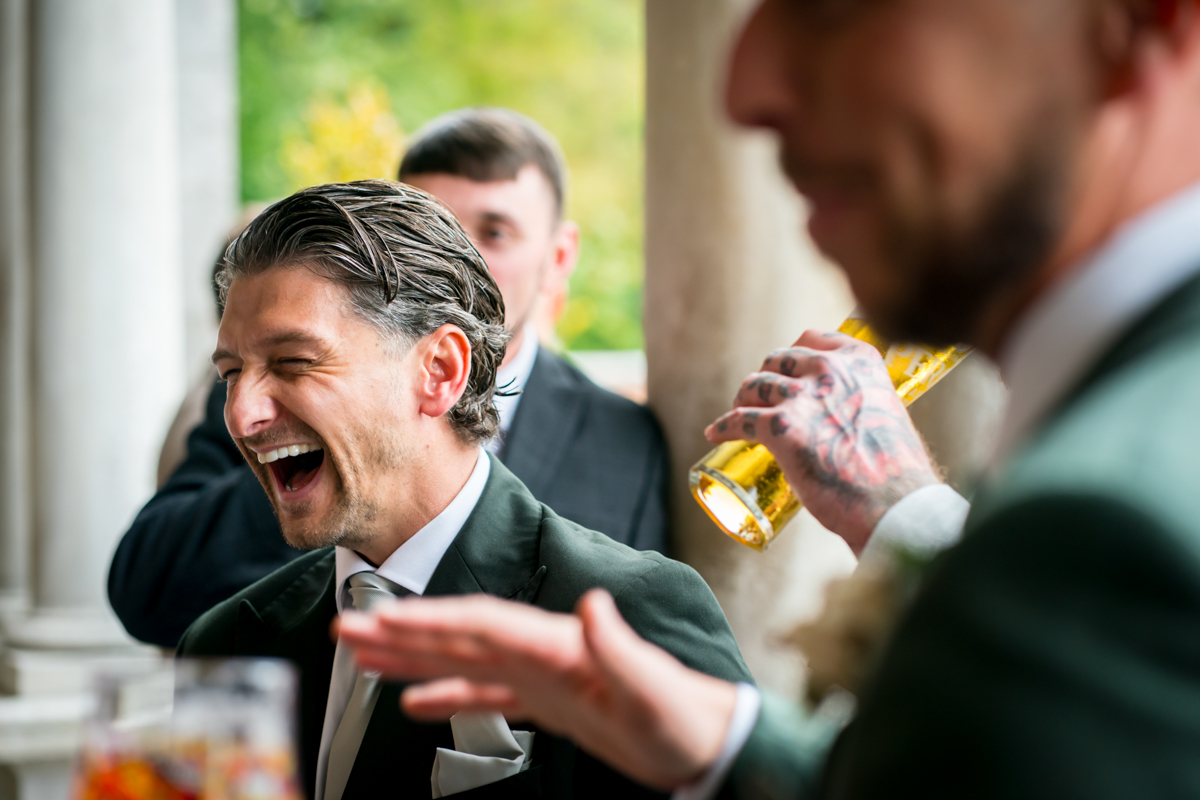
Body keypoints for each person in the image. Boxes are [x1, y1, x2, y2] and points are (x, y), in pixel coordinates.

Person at [336, 0, 1200, 797]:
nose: (743, 89)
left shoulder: (1117, 526)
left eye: (833, 7)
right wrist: (726, 740)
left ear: (1134, 23)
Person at [177, 180, 750, 800]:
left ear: (440, 372)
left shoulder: (627, 613)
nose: (242, 413)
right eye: (232, 374)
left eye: (293, 362)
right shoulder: (225, 643)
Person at [108, 108, 670, 649]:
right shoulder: (251, 398)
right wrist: (313, 452)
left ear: (559, 254)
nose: (455, 256)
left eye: (494, 232)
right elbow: (149, 592)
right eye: (430, 228)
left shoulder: (625, 440)